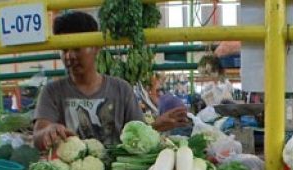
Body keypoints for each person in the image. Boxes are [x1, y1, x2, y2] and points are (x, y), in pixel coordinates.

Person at [33, 11, 189, 150]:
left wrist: (156, 126)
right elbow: (38, 135)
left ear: (96, 47)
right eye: (64, 50)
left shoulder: (121, 89)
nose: (69, 56)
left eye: (76, 48)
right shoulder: (52, 92)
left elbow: (136, 135)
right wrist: (47, 131)